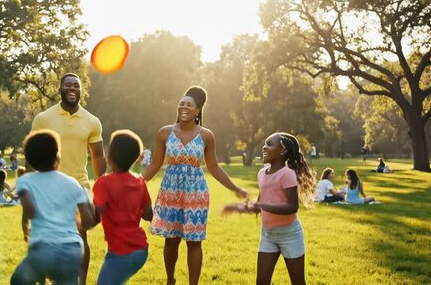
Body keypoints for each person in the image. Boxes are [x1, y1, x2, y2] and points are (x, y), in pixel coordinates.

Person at [142, 86, 248, 285]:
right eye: (181, 104)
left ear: (198, 111)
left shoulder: (206, 136)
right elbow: (155, 164)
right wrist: (137, 184)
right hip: (170, 191)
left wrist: (235, 188)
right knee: (171, 240)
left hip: (195, 193)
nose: (184, 107)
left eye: (189, 105)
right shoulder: (165, 133)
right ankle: (170, 280)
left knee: (194, 241)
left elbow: (214, 167)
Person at [31, 73, 107, 285]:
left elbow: (98, 156)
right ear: (60, 89)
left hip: (79, 187)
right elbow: (32, 154)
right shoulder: (44, 118)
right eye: (68, 85)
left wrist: (103, 186)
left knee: (80, 238)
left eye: (76, 85)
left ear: (81, 90)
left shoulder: (92, 121)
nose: (73, 88)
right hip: (48, 187)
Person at [225, 132, 317, 285]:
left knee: (298, 281)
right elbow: (260, 204)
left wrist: (261, 205)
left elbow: (292, 207)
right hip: (268, 234)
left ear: (282, 151)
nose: (264, 147)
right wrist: (237, 207)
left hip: (290, 235)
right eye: (265, 144)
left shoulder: (287, 174)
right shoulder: (262, 173)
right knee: (261, 280)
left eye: (270, 144)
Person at [11, 130, 93, 285]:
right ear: (58, 156)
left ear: (29, 160)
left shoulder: (25, 181)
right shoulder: (73, 183)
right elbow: (88, 221)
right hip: (72, 250)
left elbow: (29, 210)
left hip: (43, 249)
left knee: (18, 280)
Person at [93, 130, 153, 285]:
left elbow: (94, 218)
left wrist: (78, 220)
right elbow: (148, 214)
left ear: (109, 156)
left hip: (120, 253)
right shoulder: (139, 181)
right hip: (141, 250)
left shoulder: (103, 183)